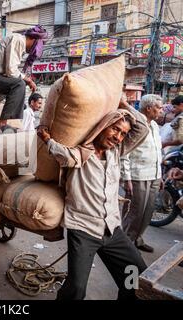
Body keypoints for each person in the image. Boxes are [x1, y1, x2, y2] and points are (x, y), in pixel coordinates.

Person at [37, 101, 149, 300]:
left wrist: (122, 103)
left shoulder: (116, 152)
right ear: (103, 126)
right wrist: (46, 137)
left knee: (136, 277)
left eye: (123, 134)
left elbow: (142, 128)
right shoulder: (81, 154)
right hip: (84, 231)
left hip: (112, 229)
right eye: (115, 129)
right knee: (76, 289)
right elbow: (60, 153)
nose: (118, 137)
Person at [120, 94, 163, 253]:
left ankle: (137, 239)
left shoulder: (155, 126)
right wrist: (126, 178)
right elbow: (125, 153)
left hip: (154, 175)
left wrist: (160, 174)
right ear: (149, 108)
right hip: (138, 175)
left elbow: (157, 151)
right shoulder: (135, 124)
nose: (161, 110)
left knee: (148, 211)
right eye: (158, 107)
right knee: (134, 212)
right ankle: (125, 244)